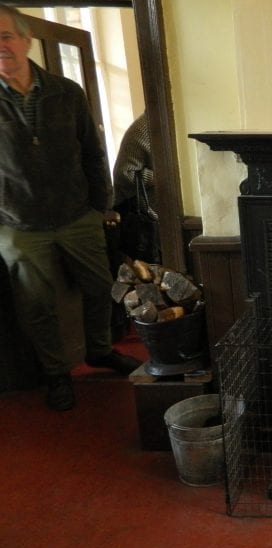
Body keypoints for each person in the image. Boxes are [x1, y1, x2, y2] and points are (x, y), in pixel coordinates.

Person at [0, 5, 141, 411]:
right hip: (18, 223)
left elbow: (93, 154)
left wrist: (100, 206)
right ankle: (56, 373)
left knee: (102, 288)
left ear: (26, 41)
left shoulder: (67, 93)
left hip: (77, 214)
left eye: (7, 36)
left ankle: (100, 350)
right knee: (36, 304)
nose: (2, 47)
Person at [112, 111, 161, 265]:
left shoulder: (156, 123)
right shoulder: (144, 127)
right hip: (144, 214)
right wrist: (161, 178)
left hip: (153, 213)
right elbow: (124, 172)